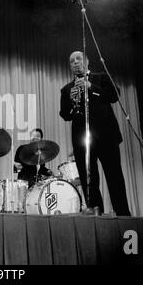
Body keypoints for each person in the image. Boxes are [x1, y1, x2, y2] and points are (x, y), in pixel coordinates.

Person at [59, 51, 131, 216]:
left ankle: (123, 213)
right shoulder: (66, 89)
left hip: (107, 136)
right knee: (88, 178)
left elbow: (114, 95)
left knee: (114, 176)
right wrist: (72, 102)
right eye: (72, 61)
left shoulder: (101, 77)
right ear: (70, 67)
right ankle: (95, 209)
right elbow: (65, 114)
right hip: (82, 139)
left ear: (87, 61)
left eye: (78, 59)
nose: (75, 62)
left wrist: (91, 87)